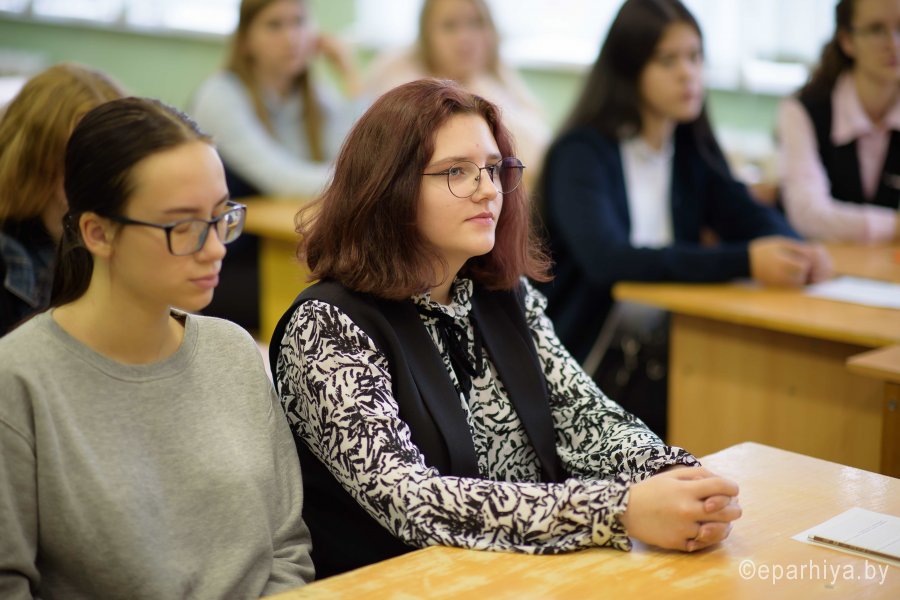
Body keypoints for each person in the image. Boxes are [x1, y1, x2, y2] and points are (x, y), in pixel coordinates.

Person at [270, 78, 742, 579]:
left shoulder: (503, 293)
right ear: (389, 187)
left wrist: (674, 474)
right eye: (456, 171)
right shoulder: (325, 326)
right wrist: (618, 510)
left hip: (515, 574)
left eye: (494, 169)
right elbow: (410, 500)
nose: (489, 190)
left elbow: (586, 419)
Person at [0, 97, 314, 599]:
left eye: (221, 217)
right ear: (98, 233)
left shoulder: (232, 351)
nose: (216, 248)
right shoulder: (19, 380)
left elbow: (287, 548)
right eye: (182, 227)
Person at [537, 0, 832, 433]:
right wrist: (746, 260)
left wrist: (796, 251)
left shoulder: (690, 150)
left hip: (664, 355)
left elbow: (748, 216)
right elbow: (608, 260)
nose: (688, 73)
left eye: (695, 57)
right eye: (668, 60)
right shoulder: (581, 154)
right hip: (582, 364)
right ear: (629, 68)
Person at [0, 63, 124, 336]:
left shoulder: (117, 238)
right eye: (81, 160)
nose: (103, 179)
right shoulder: (9, 262)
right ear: (35, 162)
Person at [191, 0, 360, 198]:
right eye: (274, 25)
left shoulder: (314, 92)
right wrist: (361, 181)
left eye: (299, 22)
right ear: (245, 40)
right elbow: (282, 180)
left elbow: (347, 154)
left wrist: (349, 73)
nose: (291, 39)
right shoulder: (220, 96)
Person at [363, 0, 550, 174]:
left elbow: (539, 156)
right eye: (450, 26)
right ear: (427, 36)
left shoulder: (497, 77)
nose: (465, 38)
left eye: (476, 23)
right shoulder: (404, 89)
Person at [778, 0, 900, 243]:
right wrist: (895, 225)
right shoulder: (803, 110)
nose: (894, 43)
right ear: (847, 40)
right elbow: (808, 215)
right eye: (876, 29)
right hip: (826, 261)